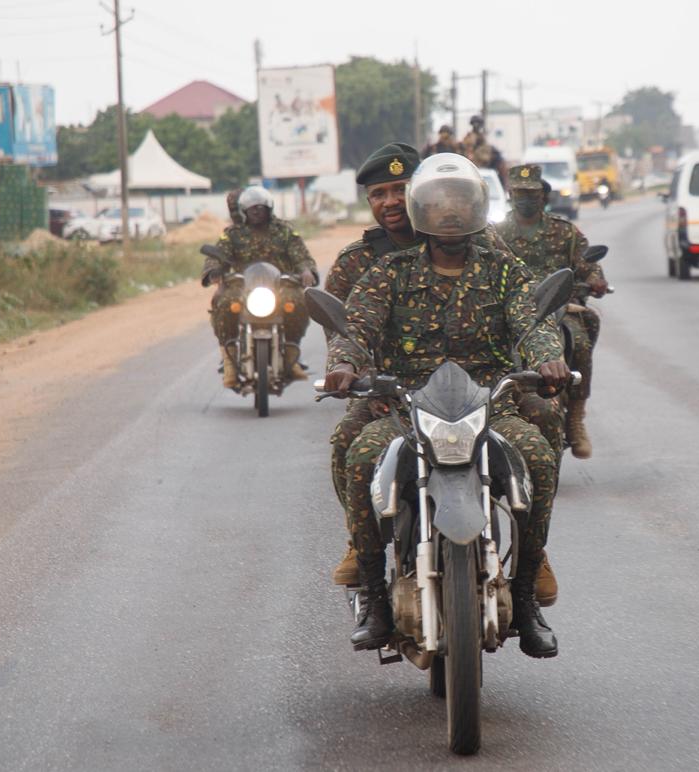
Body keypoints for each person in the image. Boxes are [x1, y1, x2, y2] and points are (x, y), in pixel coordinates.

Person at [323, 153, 569, 658]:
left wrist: (548, 357)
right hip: (407, 404)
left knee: (539, 457)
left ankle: (525, 595)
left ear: (476, 208)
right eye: (439, 206)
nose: (450, 216)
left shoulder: (502, 268)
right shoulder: (389, 272)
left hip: (489, 401)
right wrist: (345, 364)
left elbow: (533, 320)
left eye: (459, 205)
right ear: (423, 212)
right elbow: (357, 326)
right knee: (360, 456)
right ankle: (374, 597)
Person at [326, 143, 422, 585]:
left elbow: (517, 313)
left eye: (400, 189)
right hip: (386, 392)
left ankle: (533, 550)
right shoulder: (357, 262)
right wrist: (356, 376)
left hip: (470, 390)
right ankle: (360, 541)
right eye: (379, 194)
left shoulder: (462, 242)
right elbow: (341, 330)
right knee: (347, 442)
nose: (390, 202)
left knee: (540, 419)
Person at [495, 164, 608, 459]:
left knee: (580, 339)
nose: (525, 199)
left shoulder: (564, 231)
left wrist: (595, 278)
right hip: (512, 310)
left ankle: (576, 417)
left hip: (559, 307)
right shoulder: (495, 234)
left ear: (543, 196)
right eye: (519, 193)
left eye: (531, 194)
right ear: (510, 195)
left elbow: (587, 263)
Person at [201, 186, 319, 388]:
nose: (256, 211)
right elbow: (217, 255)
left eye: (260, 207)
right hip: (242, 286)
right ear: (244, 211)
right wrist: (214, 271)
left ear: (269, 208)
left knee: (298, 302)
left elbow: (301, 256)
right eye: (251, 208)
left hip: (281, 284)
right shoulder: (233, 234)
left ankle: (291, 353)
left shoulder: (284, 231)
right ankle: (229, 360)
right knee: (224, 303)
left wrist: (307, 271)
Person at [461, 114, 508, 188]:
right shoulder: (464, 144)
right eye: (474, 124)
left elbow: (501, 167)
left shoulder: (489, 149)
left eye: (478, 124)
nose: (476, 126)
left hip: (484, 177)